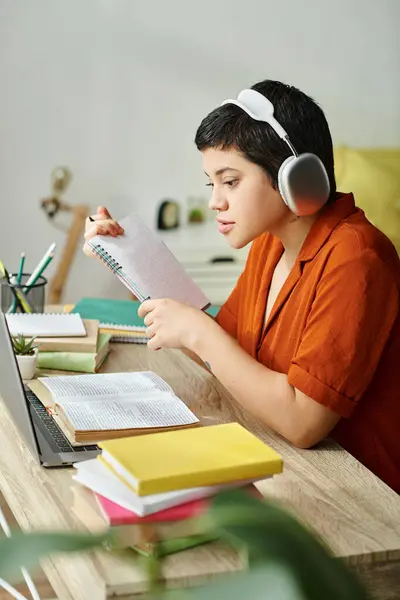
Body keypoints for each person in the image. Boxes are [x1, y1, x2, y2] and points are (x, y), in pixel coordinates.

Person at [83, 79, 400, 493]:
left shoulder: (357, 257)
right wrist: (125, 257)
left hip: (357, 495)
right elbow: (228, 353)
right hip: (287, 466)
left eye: (230, 181)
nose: (215, 201)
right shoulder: (272, 242)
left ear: (295, 179)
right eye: (210, 183)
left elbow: (303, 422)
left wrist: (200, 332)